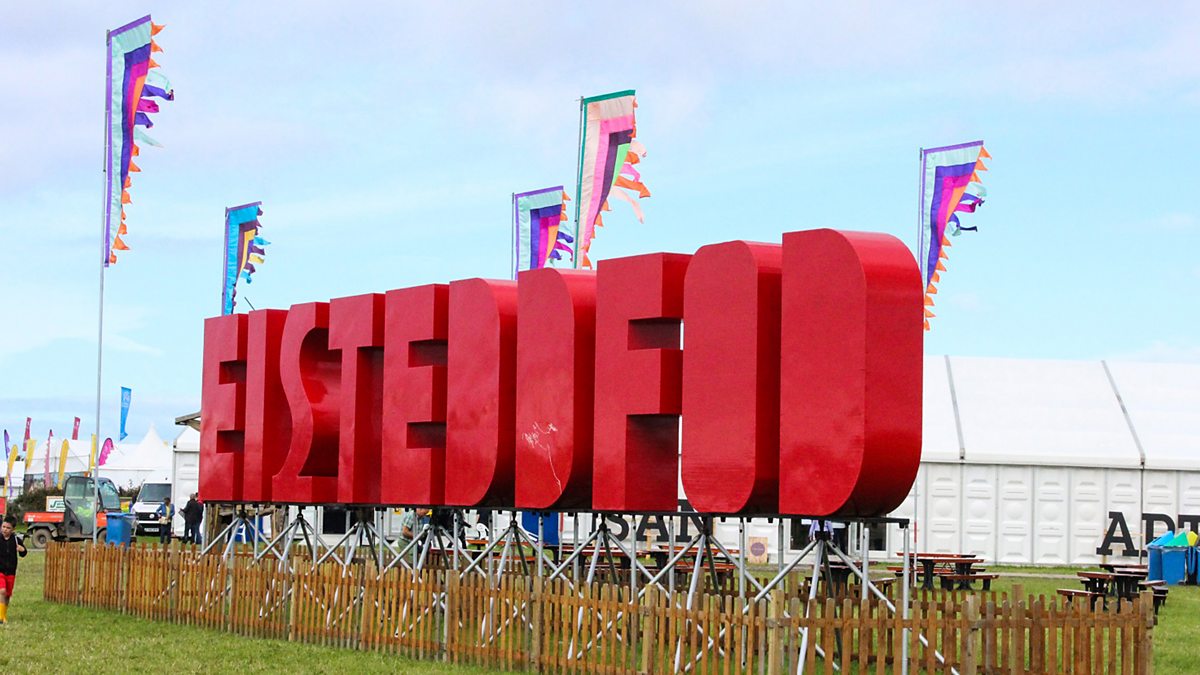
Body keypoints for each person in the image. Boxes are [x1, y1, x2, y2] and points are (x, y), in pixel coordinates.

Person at [0, 515, 28, 626]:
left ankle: (3, 615)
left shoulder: (16, 540)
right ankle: (0, 618)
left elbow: (23, 553)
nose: (5, 530)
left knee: (7, 595)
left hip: (11, 571)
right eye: (3, 527)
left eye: (8, 528)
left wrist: (22, 550)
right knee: (2, 591)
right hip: (0, 570)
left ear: (13, 529)